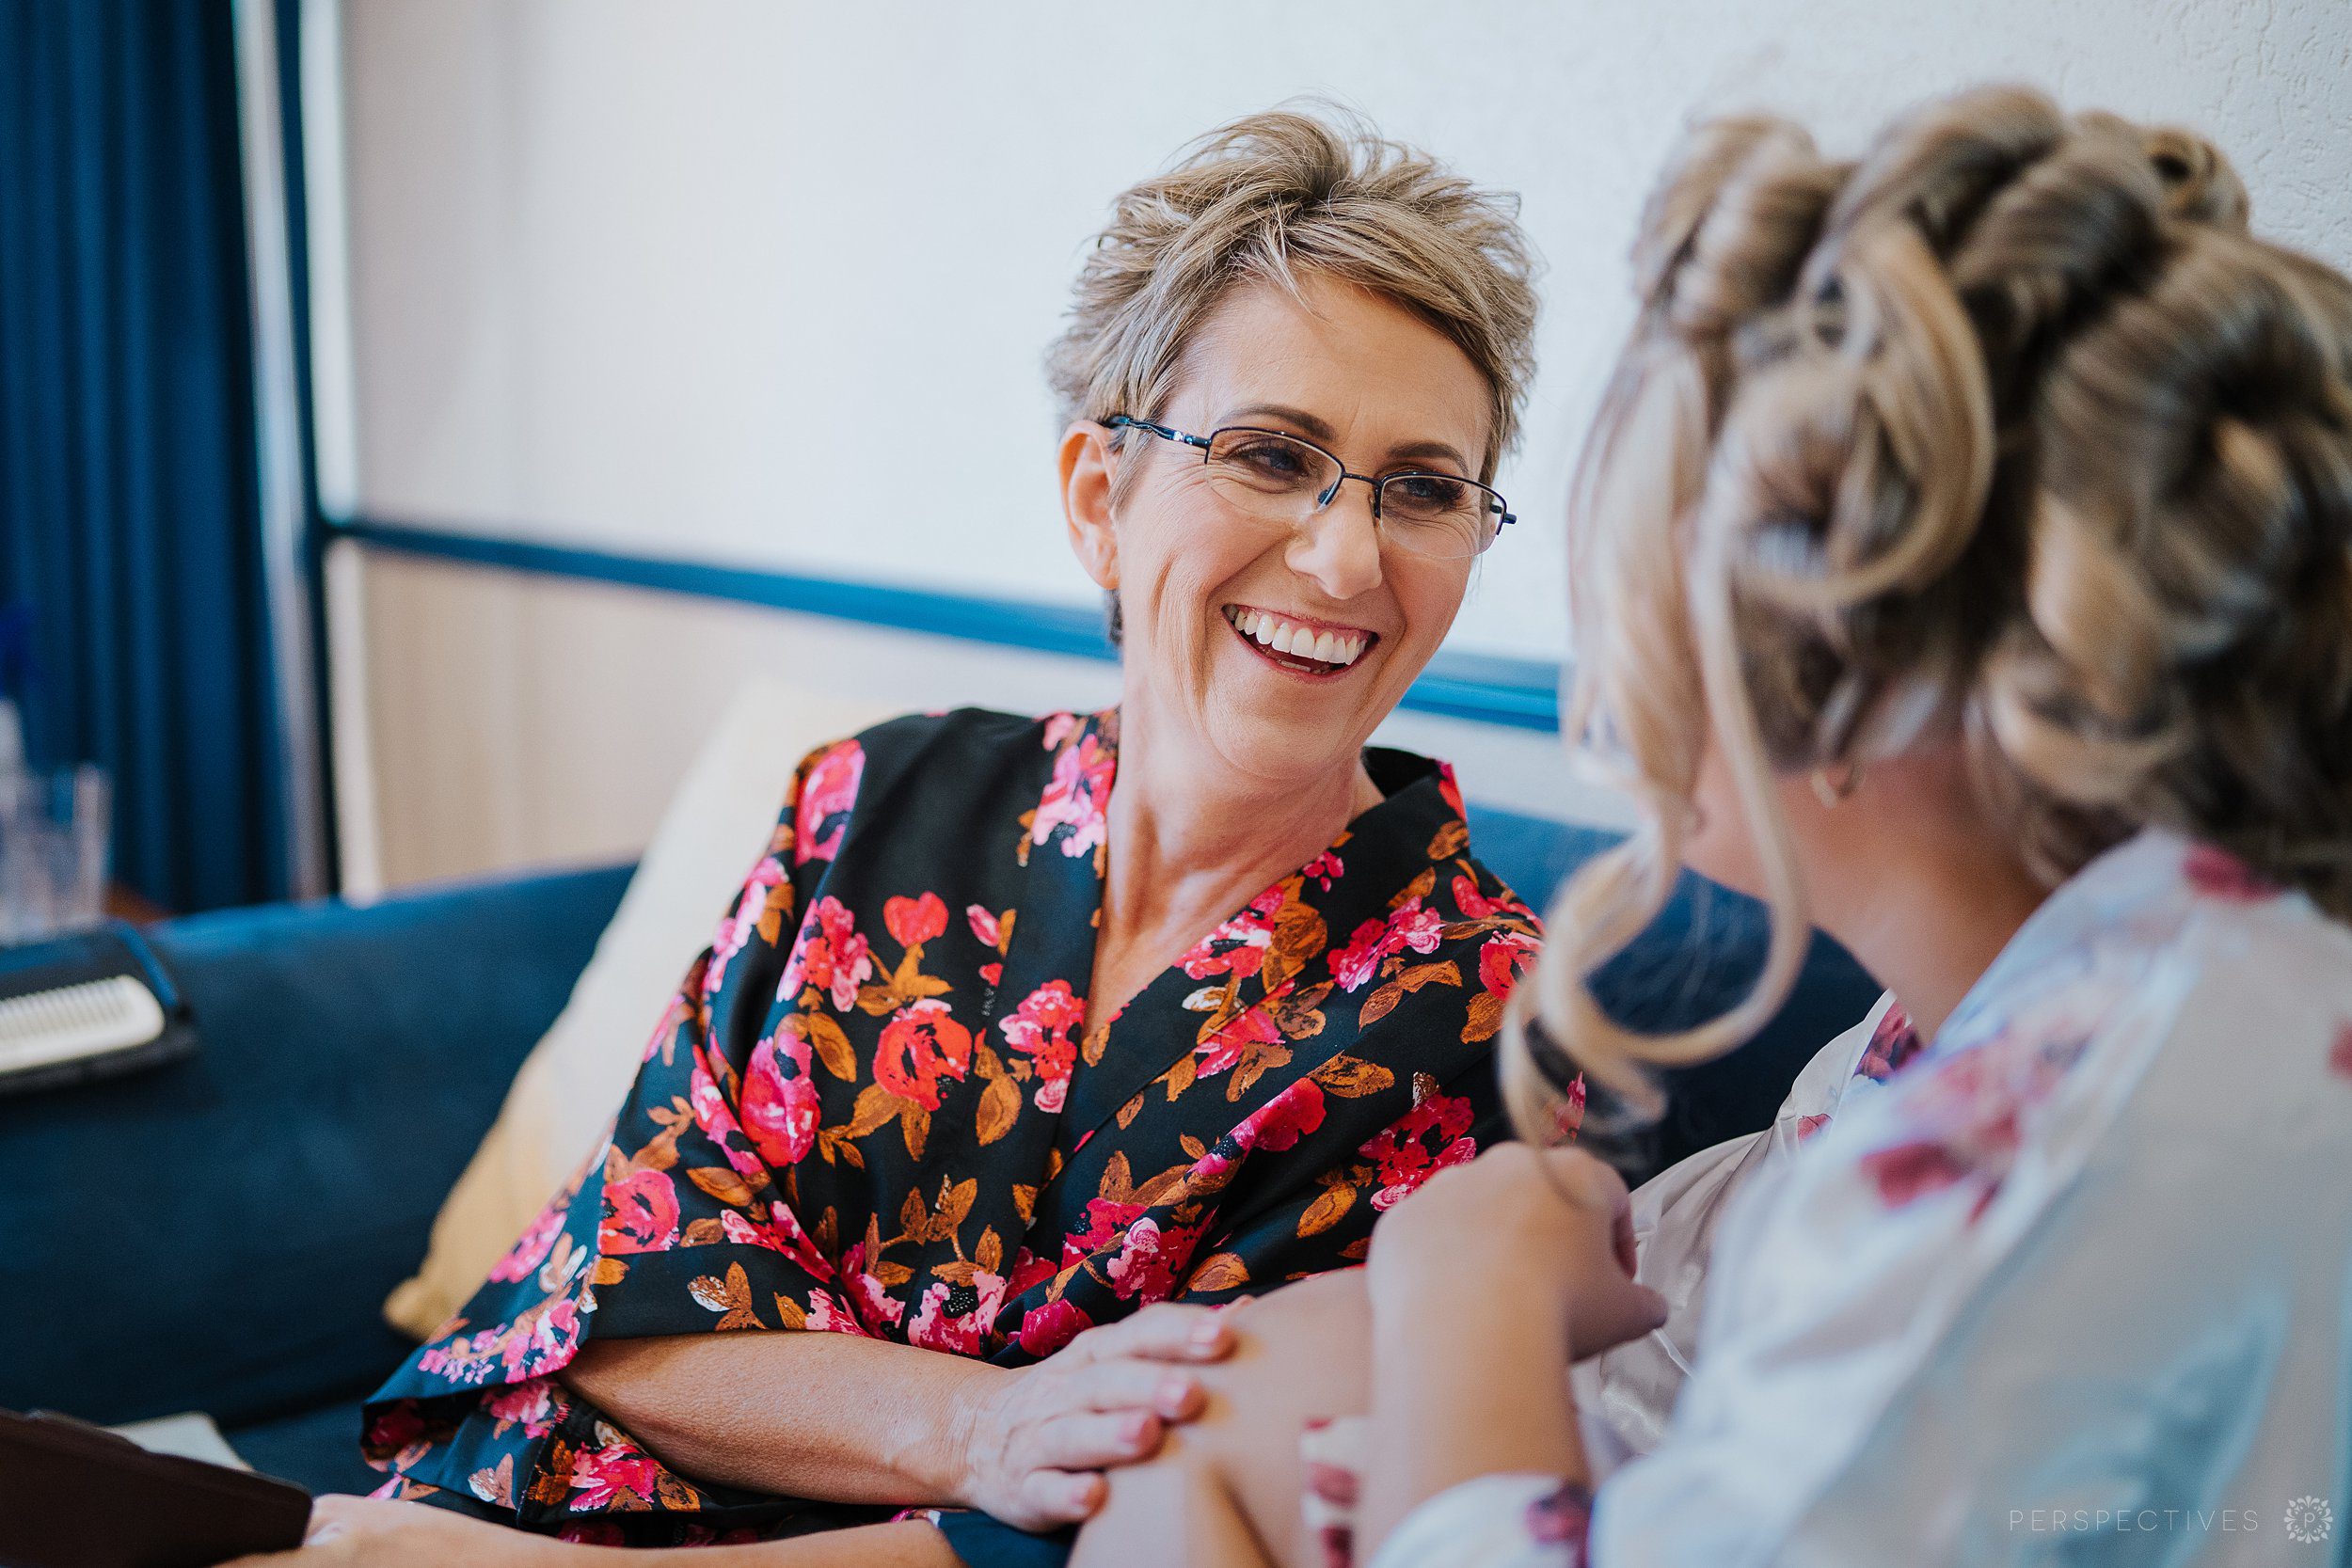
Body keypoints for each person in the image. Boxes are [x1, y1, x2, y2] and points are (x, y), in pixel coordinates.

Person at [1061, 84, 2352, 1567]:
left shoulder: (2070, 1161)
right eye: (1271, 455)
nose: (1625, 653)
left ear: (1869, 652)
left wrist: (1468, 1290)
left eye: (1429, 491)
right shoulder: (1942, 1049)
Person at [238, 108, 1550, 1565]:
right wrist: (985, 1427)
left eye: (1423, 488)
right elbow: (620, 1284)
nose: (1346, 554)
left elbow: (1156, 1521)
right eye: (1268, 452)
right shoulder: (877, 801)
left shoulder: (1480, 1019)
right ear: (1099, 499)